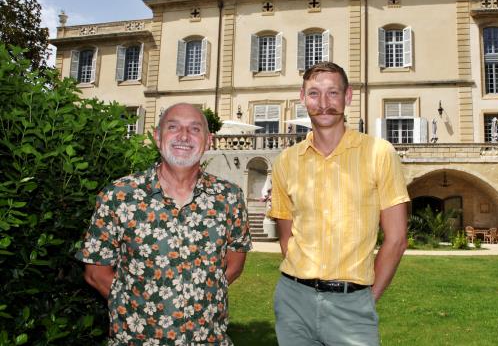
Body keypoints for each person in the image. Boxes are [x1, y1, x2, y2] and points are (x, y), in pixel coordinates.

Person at [76, 103, 252, 345]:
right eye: (173, 127)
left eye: (194, 129)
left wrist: (196, 300)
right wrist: (143, 308)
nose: (183, 136)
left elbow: (233, 265)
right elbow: (96, 273)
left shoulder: (230, 197)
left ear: (208, 140)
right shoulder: (119, 195)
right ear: (158, 137)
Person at [268, 62, 410, 345]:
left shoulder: (379, 154)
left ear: (348, 97)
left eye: (333, 93)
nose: (323, 103)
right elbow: (287, 237)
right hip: (293, 301)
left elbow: (396, 239)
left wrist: (369, 297)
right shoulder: (286, 160)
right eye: (314, 94)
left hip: (352, 305)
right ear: (302, 97)